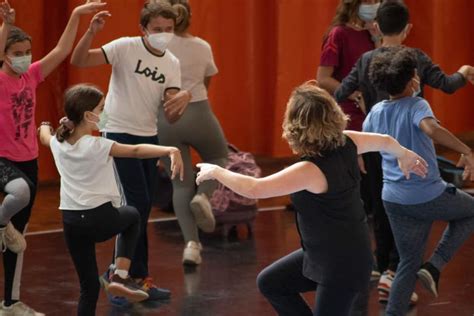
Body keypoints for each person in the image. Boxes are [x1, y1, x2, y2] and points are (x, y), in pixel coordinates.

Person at [195, 80, 427, 316]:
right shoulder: (348, 141)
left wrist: (216, 171)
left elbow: (256, 189)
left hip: (341, 265)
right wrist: (404, 154)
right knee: (271, 283)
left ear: (297, 126)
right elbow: (385, 141)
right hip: (330, 253)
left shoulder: (310, 170)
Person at [334, 0, 474, 304]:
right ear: (408, 28)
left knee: (396, 240)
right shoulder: (416, 77)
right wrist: (463, 75)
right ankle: (425, 267)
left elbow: (340, 97)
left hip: (384, 170)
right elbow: (436, 115)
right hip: (421, 187)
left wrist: (357, 147)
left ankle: (383, 269)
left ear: (375, 27)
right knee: (458, 213)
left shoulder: (368, 74)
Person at [71, 1, 190, 303]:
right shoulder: (125, 47)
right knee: (134, 205)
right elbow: (80, 60)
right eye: (157, 29)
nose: (163, 34)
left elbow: (171, 112)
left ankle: (137, 278)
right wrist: (90, 32)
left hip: (148, 136)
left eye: (168, 29)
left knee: (143, 207)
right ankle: (118, 278)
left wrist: (184, 99)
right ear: (143, 29)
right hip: (117, 131)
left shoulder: (172, 63)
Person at [38, 84, 183, 316]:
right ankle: (120, 275)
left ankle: (115, 280)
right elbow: (135, 150)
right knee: (133, 215)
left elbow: (45, 136)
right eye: (102, 108)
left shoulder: (59, 143)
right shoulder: (97, 145)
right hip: (99, 219)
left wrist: (44, 126)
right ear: (88, 115)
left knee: (89, 287)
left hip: (72, 223)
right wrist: (169, 150)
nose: (105, 113)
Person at [0, 1, 106, 313]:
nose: (23, 58)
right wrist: (5, 24)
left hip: (28, 159)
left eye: (25, 52)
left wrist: (75, 16)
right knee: (18, 192)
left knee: (18, 238)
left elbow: (61, 50)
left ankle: (10, 302)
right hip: (2, 159)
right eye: (16, 52)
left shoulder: (31, 76)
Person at [364, 46, 474, 316]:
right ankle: (435, 266)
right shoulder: (417, 104)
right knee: (471, 212)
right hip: (427, 196)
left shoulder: (376, 111)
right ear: (412, 78)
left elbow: (362, 142)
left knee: (407, 263)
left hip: (393, 200)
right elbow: (431, 128)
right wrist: (467, 150)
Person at [152, 0, 228, 265]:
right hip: (198, 111)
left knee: (179, 183)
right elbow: (206, 82)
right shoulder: (202, 46)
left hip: (164, 119)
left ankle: (191, 247)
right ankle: (204, 195)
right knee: (219, 156)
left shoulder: (157, 47)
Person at [317, 0, 381, 131]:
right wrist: (356, 95)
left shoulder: (374, 33)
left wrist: (377, 39)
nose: (373, 4)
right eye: (368, 1)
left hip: (371, 113)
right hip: (346, 115)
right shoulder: (338, 34)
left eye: (376, 1)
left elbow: (380, 70)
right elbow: (323, 79)